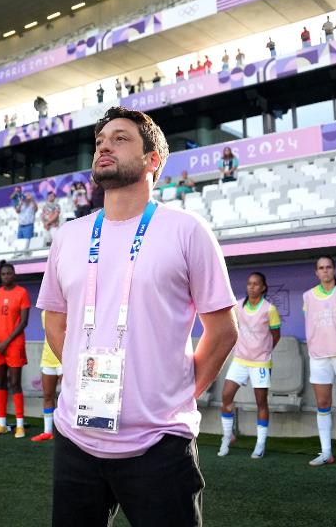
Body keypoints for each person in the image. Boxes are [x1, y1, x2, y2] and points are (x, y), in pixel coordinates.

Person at [37, 105, 237, 526]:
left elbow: (221, 331)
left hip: (159, 443)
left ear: (152, 160)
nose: (104, 144)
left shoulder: (187, 231)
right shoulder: (70, 236)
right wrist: (79, 363)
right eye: (100, 140)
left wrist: (177, 393)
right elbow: (55, 318)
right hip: (76, 438)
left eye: (120, 138)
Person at [218, 272, 281, 459]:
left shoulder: (270, 309)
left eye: (256, 284)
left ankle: (260, 445)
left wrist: (264, 351)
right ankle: (227, 437)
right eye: (249, 283)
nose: (252, 287)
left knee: (261, 403)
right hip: (240, 360)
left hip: (260, 362)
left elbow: (276, 335)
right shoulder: (238, 306)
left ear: (263, 287)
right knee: (226, 396)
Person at [303, 256, 336, 466]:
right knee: (322, 403)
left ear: (334, 270)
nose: (325, 271)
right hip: (319, 356)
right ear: (316, 272)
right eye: (321, 268)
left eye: (329, 267)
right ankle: (326, 452)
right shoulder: (308, 296)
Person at [0, 261, 31, 438]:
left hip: (14, 344)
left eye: (9, 273)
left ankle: (20, 425)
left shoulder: (22, 292)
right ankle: (1, 424)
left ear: (14, 275)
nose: (6, 276)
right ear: (0, 276)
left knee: (15, 383)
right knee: (0, 383)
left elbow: (24, 322)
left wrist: (6, 342)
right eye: (3, 274)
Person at [31, 310, 63, 442]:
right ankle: (47, 432)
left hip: (63, 358)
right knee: (48, 395)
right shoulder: (45, 311)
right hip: (47, 359)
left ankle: (65, 433)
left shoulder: (69, 308)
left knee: (66, 397)